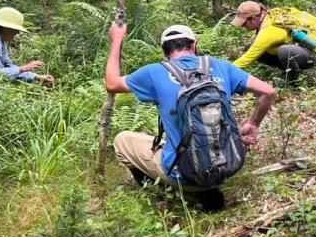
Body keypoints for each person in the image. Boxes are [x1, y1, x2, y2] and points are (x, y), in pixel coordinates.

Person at [105, 22, 275, 211]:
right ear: (194, 45)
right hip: (228, 166)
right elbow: (268, 92)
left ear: (165, 51)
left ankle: (165, 192)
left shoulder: (154, 72)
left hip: (182, 173)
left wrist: (117, 39)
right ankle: (208, 189)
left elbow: (111, 83)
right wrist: (253, 123)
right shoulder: (221, 66)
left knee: (122, 141)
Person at [231, 1, 316, 85]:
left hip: (312, 54)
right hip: (300, 49)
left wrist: (225, 69)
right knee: (250, 46)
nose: (242, 26)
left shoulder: (268, 31)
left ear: (254, 18)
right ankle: (286, 68)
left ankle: (291, 79)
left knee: (284, 50)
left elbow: (248, 58)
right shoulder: (268, 15)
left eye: (244, 23)